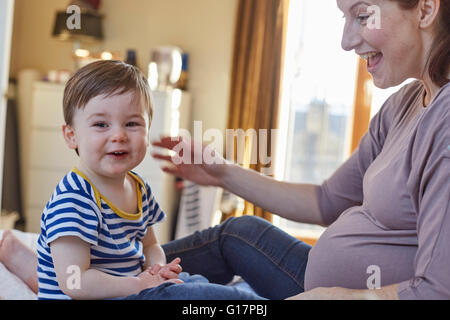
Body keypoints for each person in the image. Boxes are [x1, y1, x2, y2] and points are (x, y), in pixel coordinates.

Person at [151, 0, 450, 300]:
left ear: (425, 9)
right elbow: (326, 202)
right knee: (236, 232)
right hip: (325, 286)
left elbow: (436, 291)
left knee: (190, 299)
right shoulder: (406, 103)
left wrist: (328, 297)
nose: (346, 42)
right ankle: (122, 266)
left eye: (362, 15)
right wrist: (224, 173)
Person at [32, 60, 262, 300]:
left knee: (193, 282)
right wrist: (137, 285)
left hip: (128, 290)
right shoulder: (73, 200)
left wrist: (157, 268)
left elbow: (151, 245)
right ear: (71, 136)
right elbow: (74, 281)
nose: (119, 135)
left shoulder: (138, 187)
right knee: (198, 295)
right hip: (102, 295)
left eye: (132, 124)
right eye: (101, 124)